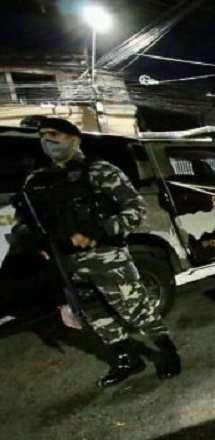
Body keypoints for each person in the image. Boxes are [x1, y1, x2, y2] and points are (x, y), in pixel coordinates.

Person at [12, 118, 181, 387]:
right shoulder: (37, 179)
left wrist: (99, 231)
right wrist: (39, 244)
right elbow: (30, 220)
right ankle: (127, 359)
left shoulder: (100, 171)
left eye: (54, 134)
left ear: (74, 139)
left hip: (106, 258)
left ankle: (167, 352)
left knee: (135, 309)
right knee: (95, 314)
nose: (47, 140)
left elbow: (136, 210)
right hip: (66, 261)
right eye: (43, 136)